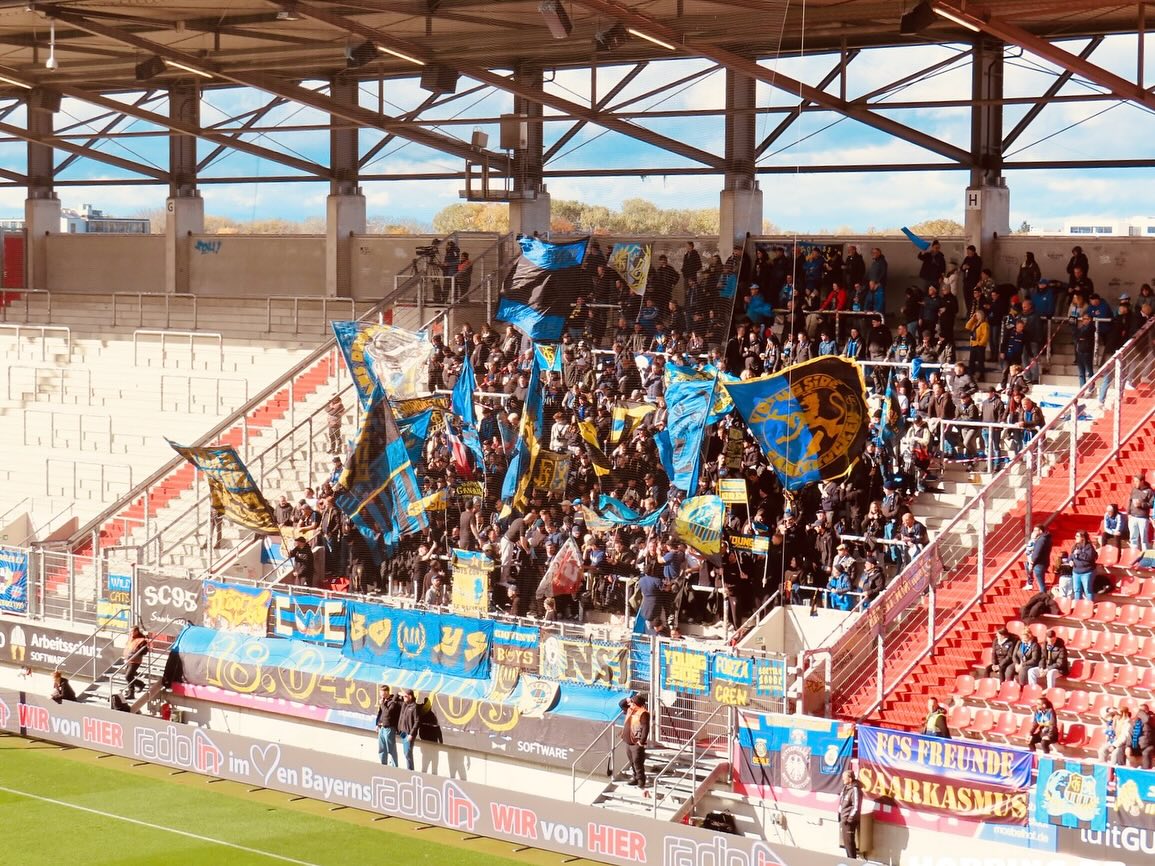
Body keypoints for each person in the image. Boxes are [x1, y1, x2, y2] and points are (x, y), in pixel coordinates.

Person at [620, 692, 651, 792]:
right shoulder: (630, 709)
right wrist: (627, 699)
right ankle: (635, 778)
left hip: (636, 742)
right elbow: (621, 704)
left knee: (638, 762)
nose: (630, 704)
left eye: (632, 702)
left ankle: (641, 780)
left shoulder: (643, 713)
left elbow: (646, 728)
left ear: (636, 704)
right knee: (632, 762)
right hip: (628, 741)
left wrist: (642, 741)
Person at [838, 768, 863, 860]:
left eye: (844, 777)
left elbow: (856, 806)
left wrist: (849, 819)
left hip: (849, 821)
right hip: (843, 819)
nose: (843, 779)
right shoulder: (845, 788)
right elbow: (842, 803)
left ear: (850, 778)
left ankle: (853, 861)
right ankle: (849, 860)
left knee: (849, 842)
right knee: (846, 842)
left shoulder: (855, 789)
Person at [1069, 531, 1098, 601]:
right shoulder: (1075, 546)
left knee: (1088, 590)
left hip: (1087, 572)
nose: (1075, 537)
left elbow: (1090, 558)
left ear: (1083, 538)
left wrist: (1080, 553)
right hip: (1076, 572)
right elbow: (1071, 556)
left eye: (1077, 536)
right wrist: (1070, 560)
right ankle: (1078, 605)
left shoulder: (1089, 547)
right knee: (1077, 590)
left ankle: (1090, 605)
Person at [375, 685, 400, 767]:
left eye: (382, 693)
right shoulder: (383, 701)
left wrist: (382, 704)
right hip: (381, 727)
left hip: (389, 728)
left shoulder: (393, 701)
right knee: (382, 748)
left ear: (386, 692)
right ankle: (383, 765)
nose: (381, 695)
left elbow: (387, 713)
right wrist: (377, 724)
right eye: (380, 693)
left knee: (391, 749)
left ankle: (394, 766)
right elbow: (380, 713)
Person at [121, 626, 149, 700]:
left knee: (128, 676)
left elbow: (144, 651)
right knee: (129, 677)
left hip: (135, 661)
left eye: (132, 631)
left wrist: (138, 652)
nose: (130, 633)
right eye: (130, 631)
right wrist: (125, 658)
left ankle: (132, 693)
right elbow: (127, 648)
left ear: (136, 631)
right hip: (128, 660)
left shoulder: (141, 640)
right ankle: (140, 685)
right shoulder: (131, 638)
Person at [397, 689, 421, 770]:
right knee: (405, 752)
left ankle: (410, 770)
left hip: (409, 734)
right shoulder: (405, 705)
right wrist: (400, 694)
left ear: (410, 697)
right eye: (403, 697)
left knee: (408, 753)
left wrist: (411, 734)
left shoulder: (415, 707)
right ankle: (409, 769)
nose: (403, 698)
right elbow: (395, 700)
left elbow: (417, 721)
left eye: (405, 696)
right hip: (403, 733)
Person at [1024, 525, 1052, 593]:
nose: (1034, 532)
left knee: (1041, 584)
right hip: (1043, 562)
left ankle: (1043, 596)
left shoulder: (1041, 540)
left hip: (1039, 564)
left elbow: (1037, 552)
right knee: (1041, 583)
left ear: (1040, 531)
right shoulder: (1046, 539)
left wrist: (1032, 562)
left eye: (1035, 530)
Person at [1128, 474, 1154, 550]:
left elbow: (1152, 504)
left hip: (1143, 518)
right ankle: (1133, 554)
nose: (1135, 483)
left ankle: (1145, 555)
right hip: (1133, 517)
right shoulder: (1134, 490)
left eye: (1136, 481)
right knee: (1133, 538)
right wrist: (1128, 513)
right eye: (1134, 481)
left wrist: (1141, 504)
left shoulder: (1149, 491)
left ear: (1142, 481)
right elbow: (1130, 501)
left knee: (1144, 539)